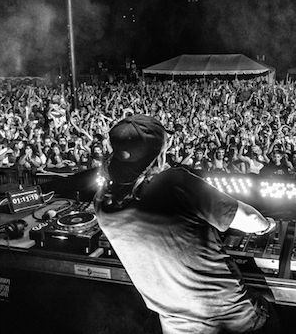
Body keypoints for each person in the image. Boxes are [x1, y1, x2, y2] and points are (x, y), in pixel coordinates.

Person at [94, 115, 279, 334]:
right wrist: (267, 225)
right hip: (233, 319)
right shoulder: (173, 182)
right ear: (157, 155)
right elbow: (249, 220)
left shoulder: (101, 202)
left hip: (175, 327)